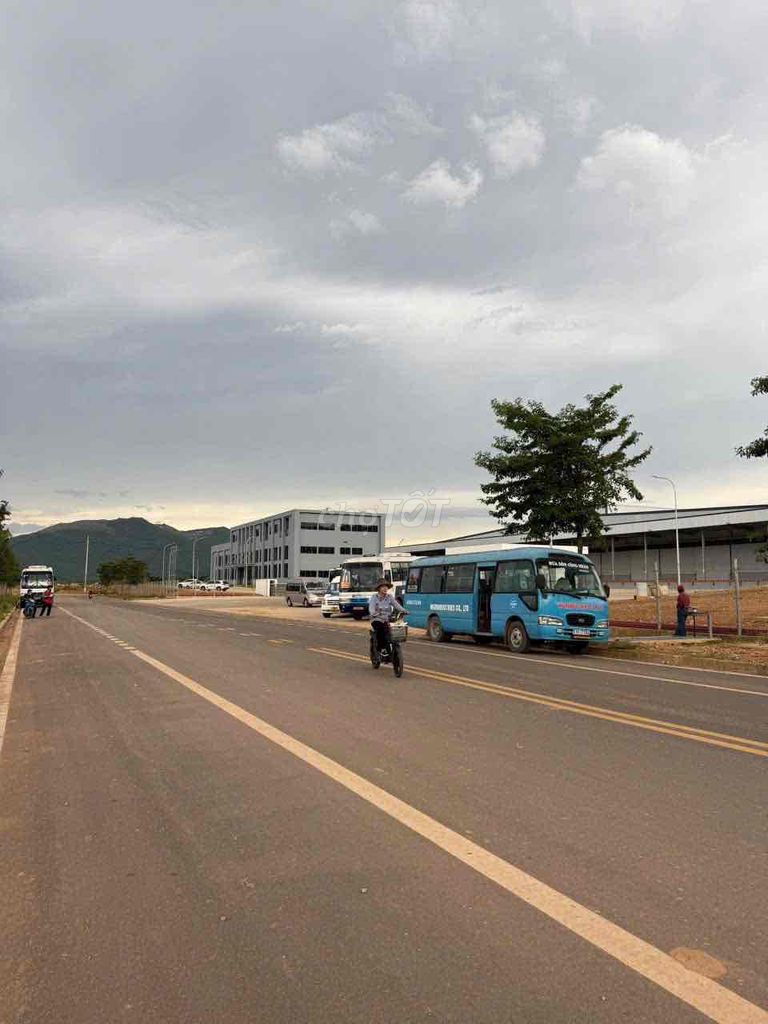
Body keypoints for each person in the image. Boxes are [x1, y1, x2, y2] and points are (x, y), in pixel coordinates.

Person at [368, 578, 407, 653]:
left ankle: (393, 648)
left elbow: (396, 605)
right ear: (379, 588)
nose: (385, 588)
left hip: (387, 619)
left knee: (395, 629)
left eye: (386, 586)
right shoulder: (374, 597)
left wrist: (404, 610)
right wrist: (375, 613)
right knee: (381, 630)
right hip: (377, 619)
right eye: (383, 587)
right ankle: (382, 648)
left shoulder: (389, 597)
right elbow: (371, 609)